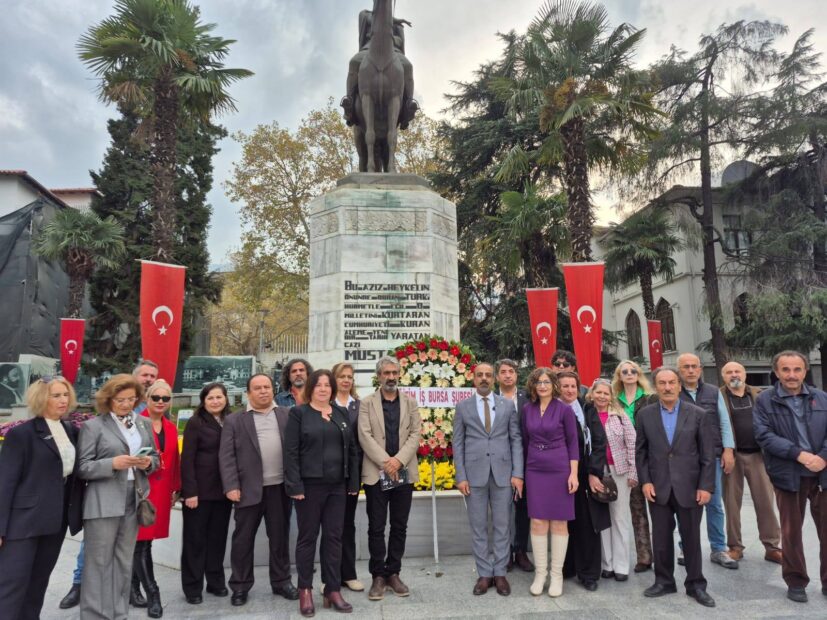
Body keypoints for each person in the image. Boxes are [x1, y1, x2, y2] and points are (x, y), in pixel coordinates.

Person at [59, 358, 160, 611]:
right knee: (98, 562)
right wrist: (112, 463)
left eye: (131, 399)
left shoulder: (143, 423)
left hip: (134, 497)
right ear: (108, 400)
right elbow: (82, 467)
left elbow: (156, 459)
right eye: (120, 400)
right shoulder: (94, 426)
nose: (126, 404)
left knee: (124, 560)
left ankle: (118, 611)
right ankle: (95, 614)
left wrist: (148, 462)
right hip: (103, 500)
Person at [0, 376, 83, 620]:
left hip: (55, 522)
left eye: (65, 394)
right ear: (40, 398)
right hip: (23, 523)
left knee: (38, 583)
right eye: (55, 395)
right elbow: (5, 483)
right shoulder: (21, 435)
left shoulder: (71, 430)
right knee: (11, 584)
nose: (63, 400)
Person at [636, 366, 716, 607]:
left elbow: (708, 455)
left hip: (690, 487)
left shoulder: (698, 414)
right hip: (658, 486)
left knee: (691, 538)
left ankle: (696, 585)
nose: (667, 387)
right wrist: (646, 481)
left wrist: (706, 486)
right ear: (656, 386)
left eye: (672, 382)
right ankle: (664, 581)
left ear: (680, 386)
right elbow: (640, 452)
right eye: (662, 383)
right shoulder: (645, 415)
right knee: (660, 538)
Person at [753, 350, 827, 603]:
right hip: (788, 473)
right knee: (791, 532)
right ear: (776, 372)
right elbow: (764, 435)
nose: (792, 375)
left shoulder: (822, 398)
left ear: (805, 371)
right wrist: (799, 455)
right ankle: (796, 581)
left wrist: (823, 457)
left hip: (822, 474)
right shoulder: (765, 400)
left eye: (797, 369)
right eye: (786, 370)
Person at [285, 369, 360, 616]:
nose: (324, 389)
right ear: (311, 388)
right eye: (319, 385)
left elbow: (351, 449)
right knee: (308, 538)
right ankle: (305, 589)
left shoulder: (340, 413)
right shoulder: (299, 414)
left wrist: (353, 482)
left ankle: (332, 588)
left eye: (328, 385)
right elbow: (291, 452)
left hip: (337, 485)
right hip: (309, 487)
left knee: (334, 537)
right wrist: (294, 485)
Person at [219, 374, 298, 606]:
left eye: (267, 387)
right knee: (243, 540)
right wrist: (231, 486)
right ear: (248, 393)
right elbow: (226, 457)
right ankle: (240, 586)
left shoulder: (286, 415)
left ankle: (282, 581)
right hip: (247, 490)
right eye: (257, 388)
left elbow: (296, 450)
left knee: (280, 538)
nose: (263, 391)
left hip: (280, 489)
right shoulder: (235, 420)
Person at [454, 363, 524, 596]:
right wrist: (461, 475)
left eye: (488, 375)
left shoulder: (506, 406)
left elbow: (515, 439)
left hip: (503, 473)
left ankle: (501, 573)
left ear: (494, 379)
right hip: (473, 476)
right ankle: (485, 573)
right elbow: (458, 443)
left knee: (504, 525)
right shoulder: (463, 407)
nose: (484, 379)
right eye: (479, 375)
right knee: (479, 526)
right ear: (473, 379)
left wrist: (517, 473)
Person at [358, 356, 421, 601]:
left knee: (399, 525)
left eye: (395, 372)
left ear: (400, 374)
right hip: (376, 474)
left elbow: (415, 434)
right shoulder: (367, 404)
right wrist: (387, 462)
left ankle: (393, 572)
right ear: (379, 375)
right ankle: (378, 576)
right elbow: (364, 436)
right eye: (386, 373)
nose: (391, 377)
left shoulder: (410, 403)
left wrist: (398, 461)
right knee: (376, 527)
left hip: (403, 473)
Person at [676, 353, 738, 569]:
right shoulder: (674, 392)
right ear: (680, 370)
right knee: (685, 505)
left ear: (700, 369)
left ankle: (719, 548)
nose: (691, 370)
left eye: (694, 366)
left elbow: (724, 421)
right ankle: (686, 546)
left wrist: (728, 450)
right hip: (683, 460)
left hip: (712, 458)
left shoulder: (713, 392)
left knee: (714, 503)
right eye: (686, 367)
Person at [521, 367, 579, 597]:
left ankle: (556, 575)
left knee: (559, 523)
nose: (542, 385)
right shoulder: (527, 409)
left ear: (553, 385)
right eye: (538, 382)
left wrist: (573, 474)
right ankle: (540, 573)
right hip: (535, 468)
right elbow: (525, 441)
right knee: (537, 522)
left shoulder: (564, 410)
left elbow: (573, 443)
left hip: (560, 467)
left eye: (546, 381)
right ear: (533, 386)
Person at [719, 361, 782, 564]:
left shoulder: (760, 394)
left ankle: (771, 546)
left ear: (745, 374)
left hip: (759, 456)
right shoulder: (718, 396)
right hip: (731, 457)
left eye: (737, 371)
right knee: (731, 504)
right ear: (723, 376)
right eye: (729, 372)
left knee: (766, 503)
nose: (734, 375)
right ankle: (735, 547)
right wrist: (724, 450)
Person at [180, 382, 233, 604]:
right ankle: (192, 588)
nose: (215, 401)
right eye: (210, 398)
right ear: (204, 400)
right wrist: (190, 491)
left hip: (223, 493)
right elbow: (187, 459)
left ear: (226, 399)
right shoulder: (195, 423)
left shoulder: (230, 421)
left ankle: (215, 582)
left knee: (217, 540)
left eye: (219, 397)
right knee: (195, 541)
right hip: (198, 494)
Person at [558, 371, 610, 592]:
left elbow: (599, 441)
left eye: (573, 386)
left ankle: (588, 573)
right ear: (557, 388)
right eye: (565, 386)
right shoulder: (552, 408)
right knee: (563, 524)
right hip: (558, 474)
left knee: (586, 524)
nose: (569, 390)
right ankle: (566, 567)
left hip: (584, 473)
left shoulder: (586, 409)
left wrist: (593, 472)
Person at [133, 380, 181, 618]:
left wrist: (175, 488)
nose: (161, 402)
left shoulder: (171, 427)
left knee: (145, 542)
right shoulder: (134, 423)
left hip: (161, 491)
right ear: (147, 399)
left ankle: (132, 589)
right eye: (156, 398)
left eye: (165, 398)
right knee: (140, 542)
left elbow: (174, 461)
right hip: (140, 491)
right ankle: (153, 593)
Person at [611, 359, 655, 573]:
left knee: (656, 508)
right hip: (624, 461)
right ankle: (644, 557)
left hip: (648, 457)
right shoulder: (613, 401)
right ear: (619, 376)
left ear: (639, 375)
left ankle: (662, 553)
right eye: (625, 371)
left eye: (633, 371)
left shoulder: (649, 399)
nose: (629, 374)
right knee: (635, 509)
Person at [592, 378, 638, 581]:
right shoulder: (587, 415)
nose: (602, 396)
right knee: (602, 519)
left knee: (619, 517)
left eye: (606, 393)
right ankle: (607, 563)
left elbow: (632, 444)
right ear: (592, 394)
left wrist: (633, 472)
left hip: (619, 470)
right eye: (598, 392)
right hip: (596, 471)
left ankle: (621, 565)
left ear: (611, 396)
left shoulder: (620, 417)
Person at [341, 8, 417, 128]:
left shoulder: (398, 26)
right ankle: (349, 102)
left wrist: (393, 39)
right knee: (354, 62)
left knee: (408, 66)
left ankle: (408, 103)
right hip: (368, 50)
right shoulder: (365, 14)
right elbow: (375, 20)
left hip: (393, 51)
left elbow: (400, 41)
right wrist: (394, 20)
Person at [329, 362, 364, 592]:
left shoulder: (359, 406)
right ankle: (330, 577)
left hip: (351, 474)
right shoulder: (325, 405)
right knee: (330, 527)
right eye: (342, 376)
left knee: (347, 525)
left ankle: (348, 574)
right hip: (328, 475)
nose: (346, 380)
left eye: (349, 377)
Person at [495, 358, 533, 573]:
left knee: (523, 508)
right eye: (503, 372)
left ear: (517, 375)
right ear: (497, 376)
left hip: (527, 462)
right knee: (503, 509)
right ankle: (505, 552)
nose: (508, 375)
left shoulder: (528, 398)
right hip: (499, 462)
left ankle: (520, 551)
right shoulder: (490, 399)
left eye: (511, 371)